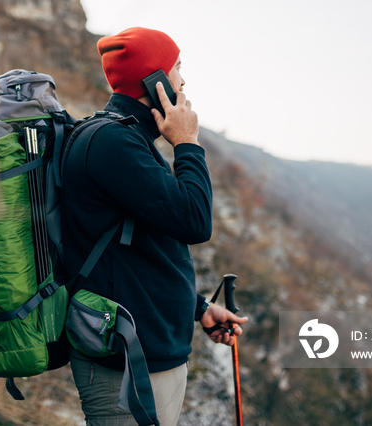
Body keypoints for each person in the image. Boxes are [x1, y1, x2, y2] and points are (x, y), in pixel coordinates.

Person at [61, 27, 248, 425]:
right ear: (156, 81)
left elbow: (140, 248)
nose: (183, 80)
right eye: (177, 69)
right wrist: (187, 143)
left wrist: (198, 308)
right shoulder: (114, 144)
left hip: (145, 352)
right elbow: (195, 221)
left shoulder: (122, 140)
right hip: (129, 360)